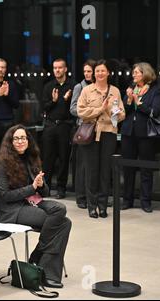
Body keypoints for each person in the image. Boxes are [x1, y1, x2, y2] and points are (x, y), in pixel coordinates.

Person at [0, 125, 71, 288]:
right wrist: (32, 188)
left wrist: (40, 185)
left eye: (23, 138)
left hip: (33, 202)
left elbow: (45, 192)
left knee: (63, 218)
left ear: (28, 140)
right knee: (63, 222)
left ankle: (39, 260)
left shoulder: (31, 158)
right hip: (12, 210)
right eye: (16, 138)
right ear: (10, 142)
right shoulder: (2, 164)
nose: (20, 141)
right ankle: (46, 270)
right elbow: (6, 196)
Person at [77, 60, 126, 219]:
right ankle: (92, 206)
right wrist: (100, 109)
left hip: (108, 133)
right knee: (92, 171)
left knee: (106, 171)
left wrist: (114, 113)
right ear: (93, 73)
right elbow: (81, 111)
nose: (99, 73)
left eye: (102, 71)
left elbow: (122, 114)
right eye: (97, 71)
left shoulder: (115, 91)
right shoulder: (87, 91)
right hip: (91, 133)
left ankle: (103, 205)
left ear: (108, 73)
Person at [121, 62, 160, 213]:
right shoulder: (131, 88)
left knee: (146, 168)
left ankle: (145, 201)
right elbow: (124, 110)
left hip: (145, 134)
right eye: (133, 72)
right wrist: (129, 100)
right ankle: (127, 200)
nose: (134, 75)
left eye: (137, 72)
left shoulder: (155, 90)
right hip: (128, 133)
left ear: (145, 73)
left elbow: (156, 112)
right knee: (127, 168)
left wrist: (138, 103)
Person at [41, 58, 76, 199]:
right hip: (50, 125)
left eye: (60, 68)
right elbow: (44, 106)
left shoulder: (73, 86)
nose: (57, 70)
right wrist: (54, 101)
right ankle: (46, 187)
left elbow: (75, 109)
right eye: (55, 68)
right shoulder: (48, 86)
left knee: (63, 157)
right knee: (48, 158)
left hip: (65, 125)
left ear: (65, 69)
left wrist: (67, 100)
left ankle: (61, 188)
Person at [70, 59, 95, 209]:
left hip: (98, 129)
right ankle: (80, 197)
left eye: (89, 71)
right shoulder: (79, 87)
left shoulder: (100, 87)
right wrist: (89, 111)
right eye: (85, 71)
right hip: (83, 128)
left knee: (93, 165)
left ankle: (92, 195)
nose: (86, 74)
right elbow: (73, 108)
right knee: (82, 165)